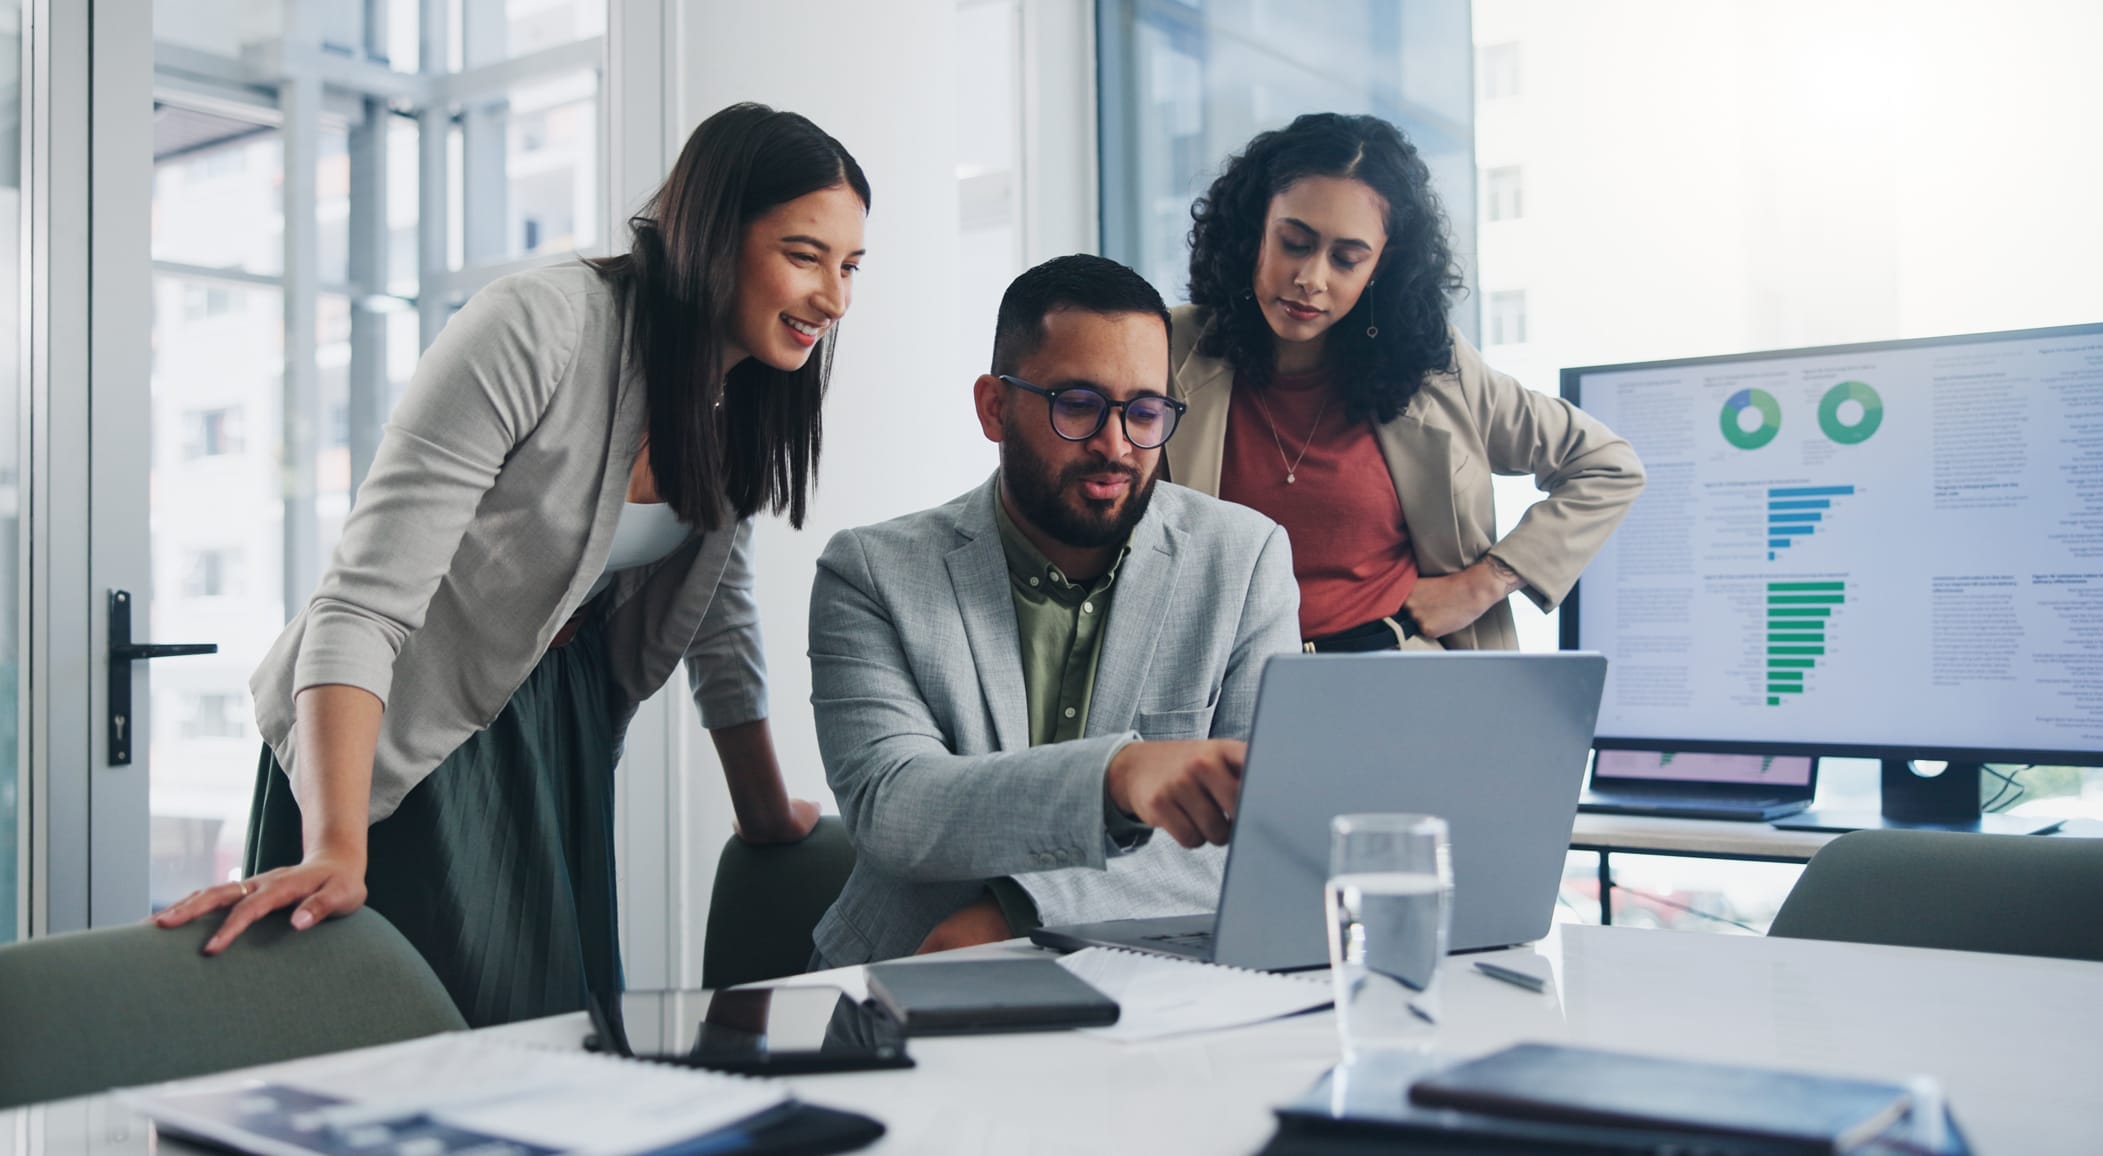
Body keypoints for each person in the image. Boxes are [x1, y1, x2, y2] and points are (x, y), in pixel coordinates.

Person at [152, 103, 869, 1027]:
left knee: (553, 1039)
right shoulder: (542, 325)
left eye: (850, 267)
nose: (834, 300)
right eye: (804, 256)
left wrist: (764, 810)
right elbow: (361, 603)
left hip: (551, 727)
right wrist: (336, 843)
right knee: (439, 1046)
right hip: (398, 729)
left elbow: (714, 612)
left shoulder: (741, 396)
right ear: (709, 236)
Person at [806, 254, 1301, 967]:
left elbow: (1263, 831)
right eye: (1077, 404)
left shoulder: (1244, 559)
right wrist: (1118, 777)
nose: (1116, 445)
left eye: (1144, 411)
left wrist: (1018, 910)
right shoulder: (872, 573)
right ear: (994, 407)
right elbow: (896, 810)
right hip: (900, 975)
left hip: (1155, 985)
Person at [1166, 112, 1643, 653]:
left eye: (1347, 259)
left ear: (1381, 268)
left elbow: (1607, 466)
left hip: (1402, 678)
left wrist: (1484, 583)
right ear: (1254, 229)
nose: (1311, 279)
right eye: (1295, 243)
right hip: (1224, 688)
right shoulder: (1165, 350)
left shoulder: (1434, 368)